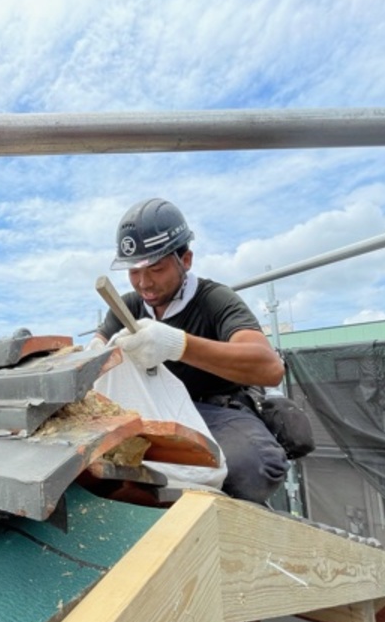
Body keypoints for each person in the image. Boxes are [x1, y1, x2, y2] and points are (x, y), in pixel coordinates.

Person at [95, 198, 289, 504]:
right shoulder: (127, 307)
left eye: (156, 268)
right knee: (106, 465)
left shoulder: (215, 300)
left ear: (185, 259)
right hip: (152, 408)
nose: (144, 283)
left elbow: (269, 368)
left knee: (252, 469)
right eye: (133, 272)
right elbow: (96, 351)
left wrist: (178, 345)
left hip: (214, 410)